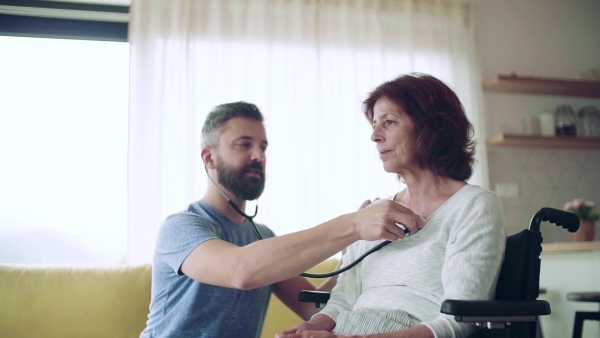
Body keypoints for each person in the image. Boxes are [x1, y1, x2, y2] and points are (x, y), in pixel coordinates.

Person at [140, 101, 424, 338]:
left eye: (263, 147)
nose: (258, 156)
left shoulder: (262, 236)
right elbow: (241, 271)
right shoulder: (181, 227)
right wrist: (354, 224)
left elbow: (314, 307)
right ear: (209, 158)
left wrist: (354, 251)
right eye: (244, 145)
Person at [276, 73, 507, 338]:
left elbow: (457, 322)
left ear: (431, 128)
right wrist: (311, 326)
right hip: (349, 330)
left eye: (389, 122)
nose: (375, 136)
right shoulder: (373, 215)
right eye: (375, 124)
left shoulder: (474, 206)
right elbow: (341, 302)